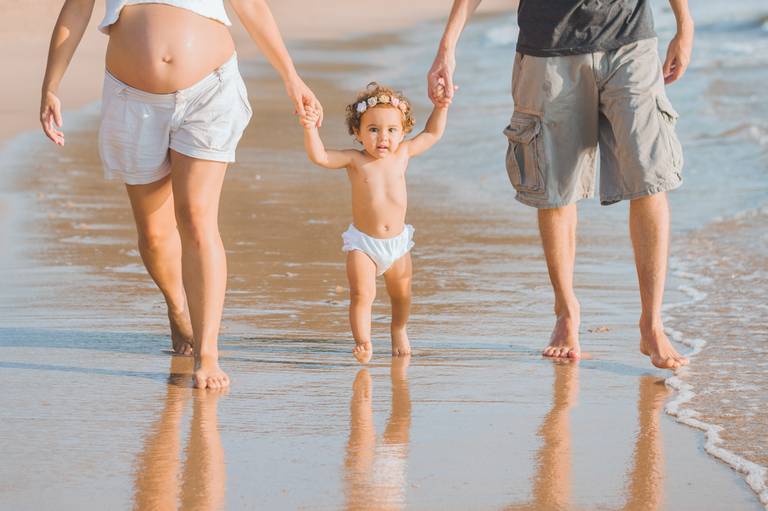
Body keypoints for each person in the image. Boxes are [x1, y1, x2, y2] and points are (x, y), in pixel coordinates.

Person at [40, 0, 322, 388]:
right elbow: (75, 10)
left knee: (196, 218)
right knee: (154, 236)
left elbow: (251, 5)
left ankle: (208, 352)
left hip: (210, 89)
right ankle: (178, 306)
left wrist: (292, 76)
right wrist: (51, 84)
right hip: (131, 99)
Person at [428, 0, 694, 369]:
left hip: (630, 41)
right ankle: (566, 311)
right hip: (547, 47)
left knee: (650, 177)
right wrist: (447, 48)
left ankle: (652, 323)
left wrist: (685, 24)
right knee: (554, 187)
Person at [299, 82, 449, 363]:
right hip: (364, 244)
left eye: (392, 130)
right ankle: (363, 342)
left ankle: (399, 329)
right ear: (357, 132)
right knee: (361, 294)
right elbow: (319, 156)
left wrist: (441, 107)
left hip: (398, 244)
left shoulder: (403, 154)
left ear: (403, 131)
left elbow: (432, 133)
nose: (383, 137)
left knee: (401, 294)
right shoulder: (355, 160)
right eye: (373, 129)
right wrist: (310, 129)